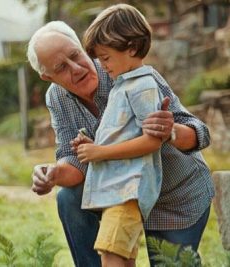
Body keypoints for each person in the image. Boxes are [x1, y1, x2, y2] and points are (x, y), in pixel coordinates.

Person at [26, 20, 214, 267]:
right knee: (68, 197)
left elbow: (200, 132)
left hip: (173, 194)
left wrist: (171, 131)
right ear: (47, 76)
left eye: (75, 55)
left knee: (173, 264)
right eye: (61, 67)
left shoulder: (128, 68)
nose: (76, 68)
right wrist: (53, 174)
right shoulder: (57, 97)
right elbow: (74, 160)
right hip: (119, 194)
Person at [72, 4, 164, 266]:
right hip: (118, 190)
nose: (102, 65)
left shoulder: (142, 86)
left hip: (128, 190)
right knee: (120, 257)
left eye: (106, 57)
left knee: (111, 255)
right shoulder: (123, 85)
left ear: (132, 48)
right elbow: (125, 136)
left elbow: (152, 140)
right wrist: (94, 145)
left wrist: (100, 152)